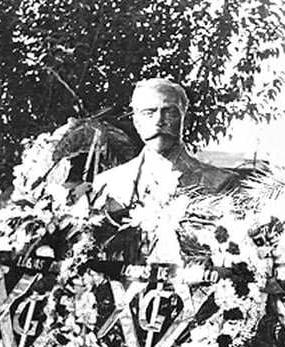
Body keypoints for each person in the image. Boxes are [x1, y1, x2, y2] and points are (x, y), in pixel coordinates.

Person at [91, 78, 237, 262]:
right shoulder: (107, 183)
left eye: (170, 113)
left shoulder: (220, 182)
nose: (159, 121)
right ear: (136, 122)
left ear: (186, 119)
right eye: (149, 113)